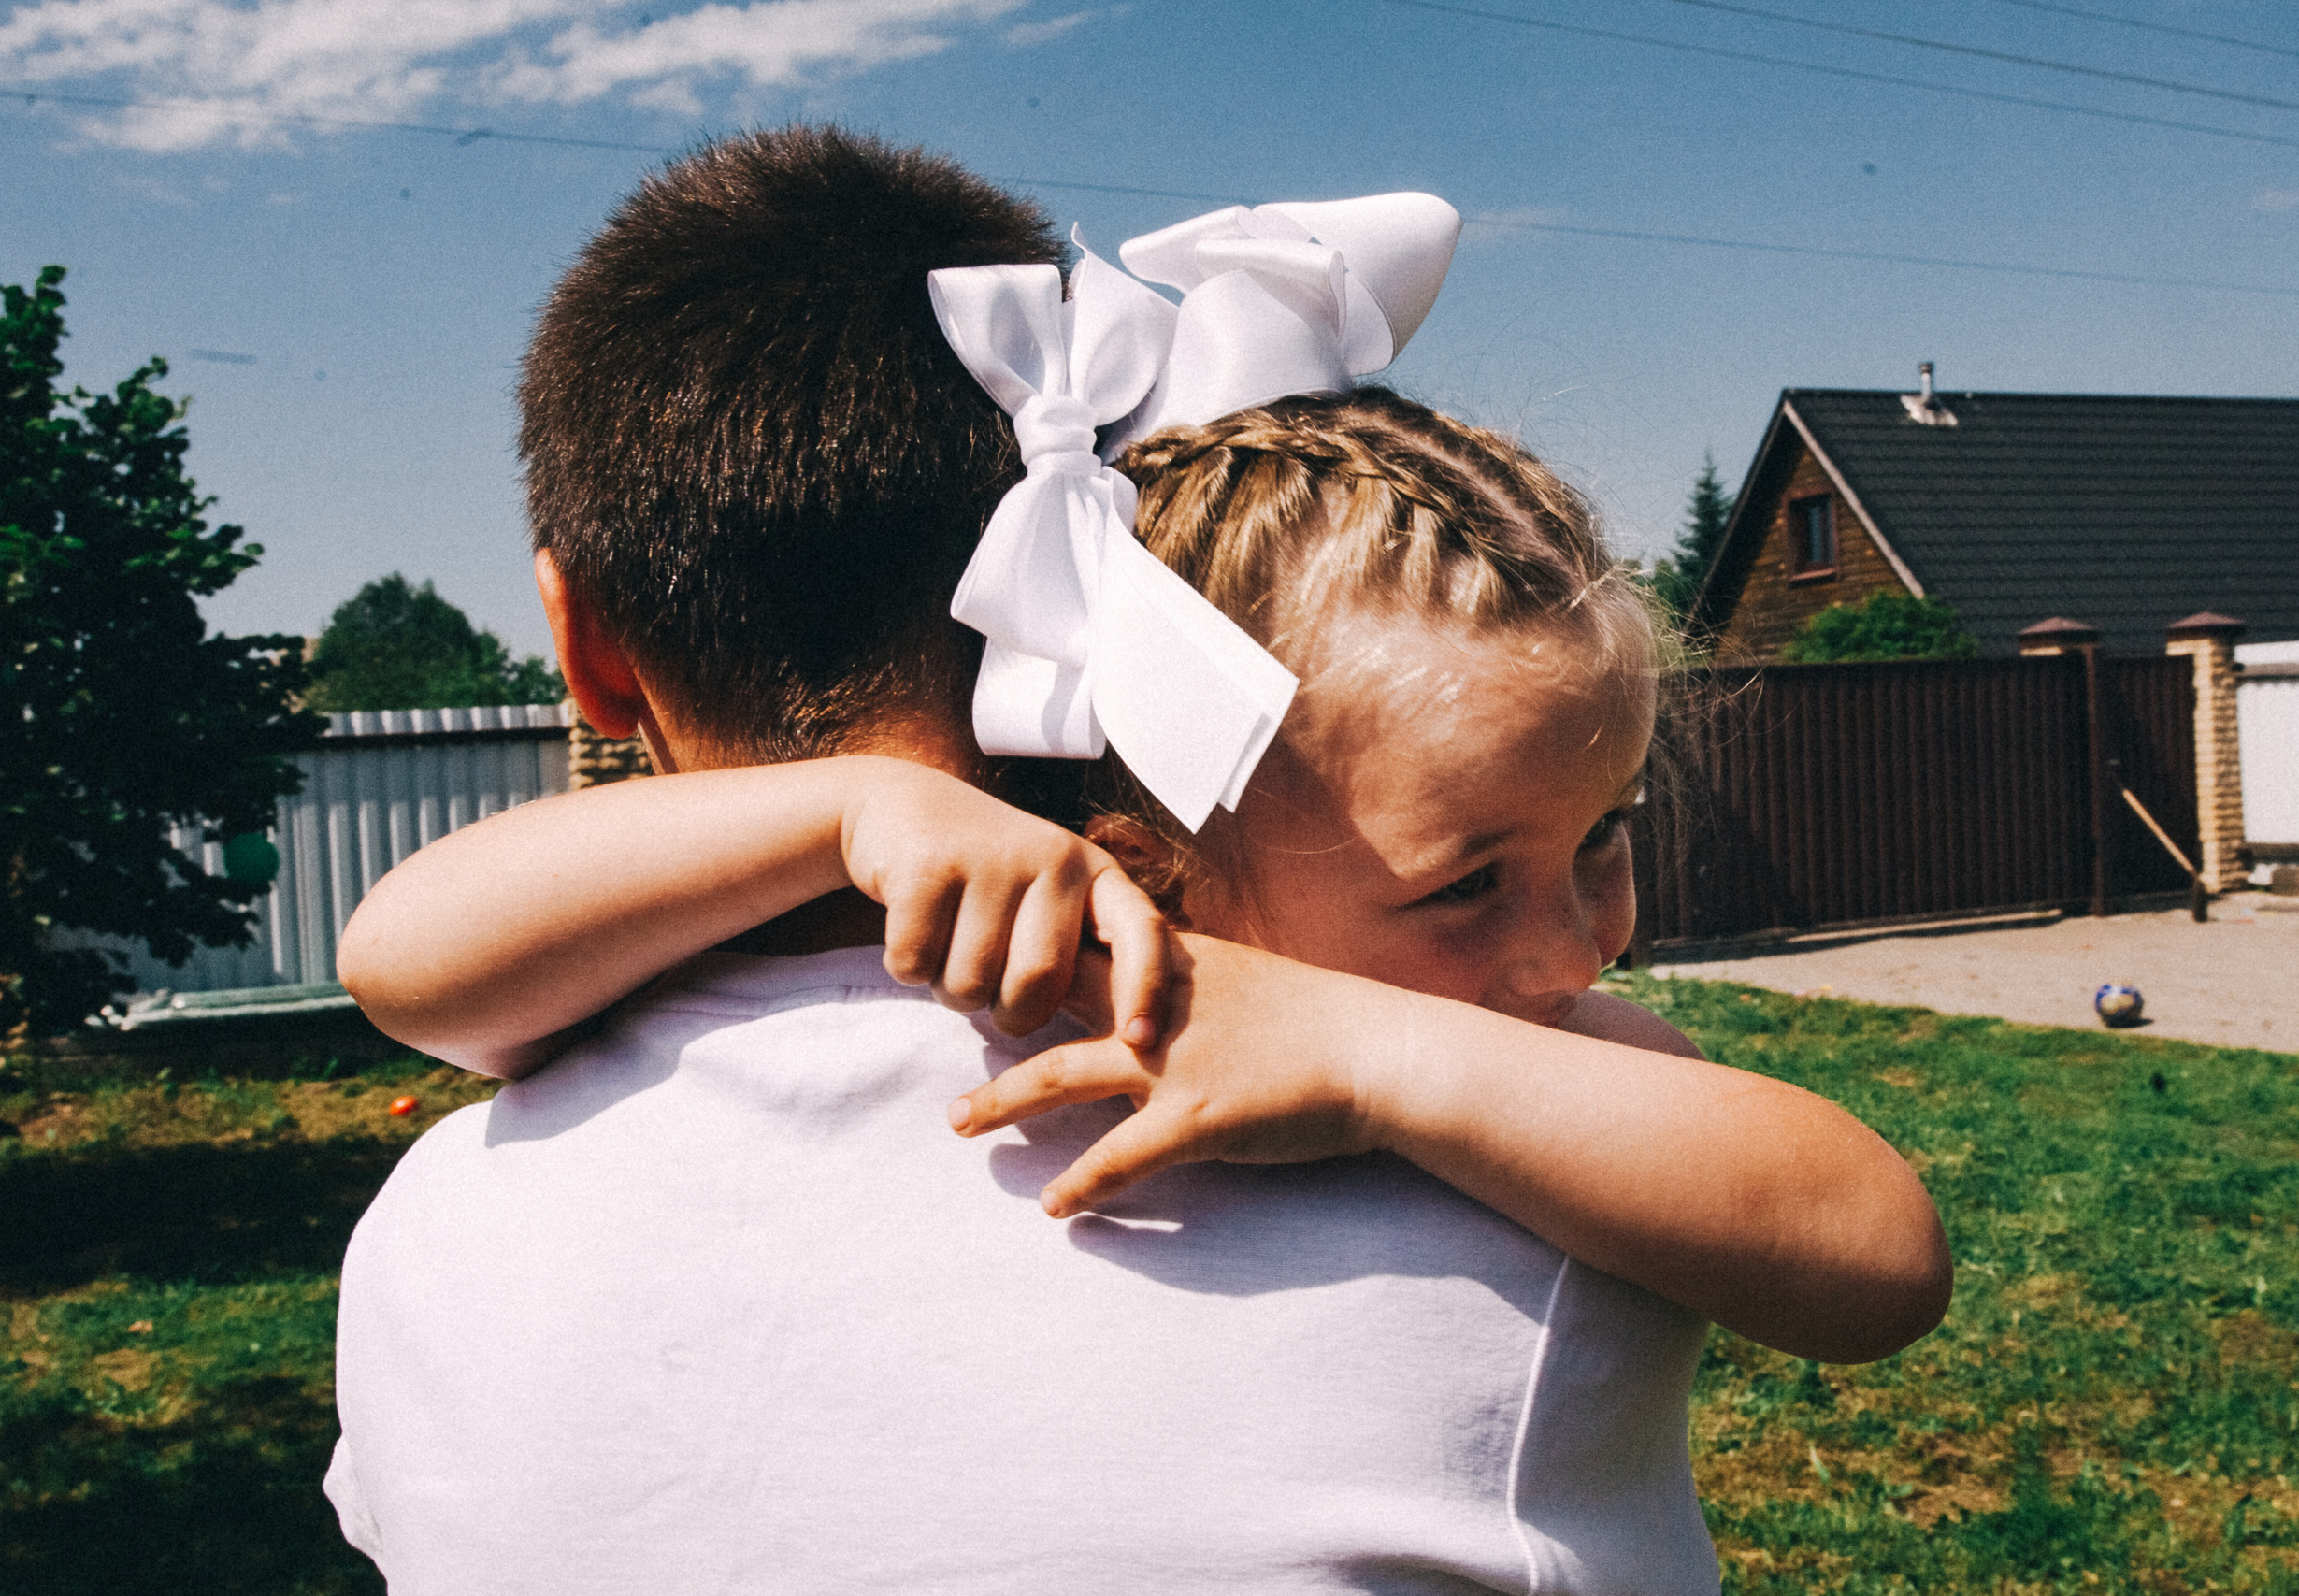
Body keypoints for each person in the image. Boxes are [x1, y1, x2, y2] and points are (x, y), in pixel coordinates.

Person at [326, 128, 1949, 1595]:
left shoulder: (427, 1254)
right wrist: (856, 807)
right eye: (1461, 878)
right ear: (1150, 849)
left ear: (585, 652)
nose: (1573, 949)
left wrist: (1364, 1046)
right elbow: (1873, 1255)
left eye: (1605, 844)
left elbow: (406, 962)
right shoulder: (1528, 1205)